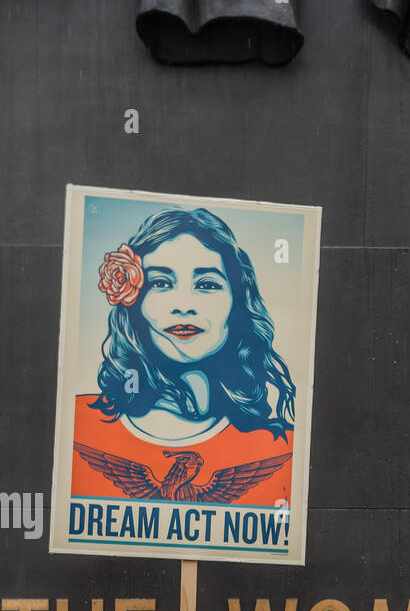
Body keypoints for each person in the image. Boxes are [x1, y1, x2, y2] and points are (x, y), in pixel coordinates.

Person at [72, 206, 296, 518]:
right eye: (160, 283)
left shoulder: (281, 450)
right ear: (133, 303)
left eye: (206, 284)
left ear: (237, 304)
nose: (183, 306)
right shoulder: (75, 426)